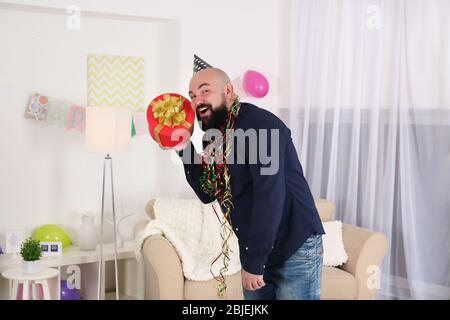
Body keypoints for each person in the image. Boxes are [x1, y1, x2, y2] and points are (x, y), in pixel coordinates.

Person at [173, 67, 325, 300]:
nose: (197, 101)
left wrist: (254, 261)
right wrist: (184, 147)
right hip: (255, 247)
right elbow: (208, 192)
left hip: (293, 245)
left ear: (229, 90)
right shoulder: (213, 136)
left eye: (205, 92)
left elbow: (270, 196)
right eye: (192, 96)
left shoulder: (261, 125)